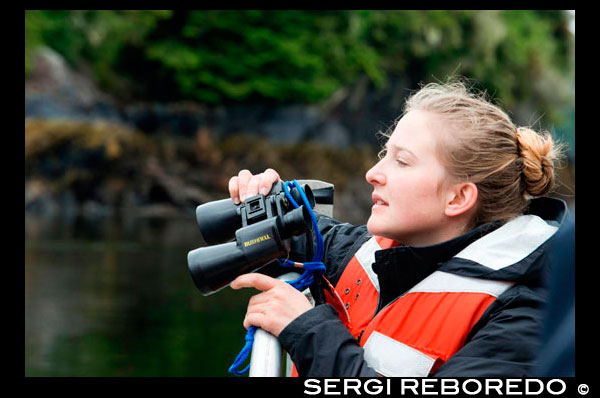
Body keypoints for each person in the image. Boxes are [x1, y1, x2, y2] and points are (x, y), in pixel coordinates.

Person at [227, 80, 569, 377]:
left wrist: (307, 330)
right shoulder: (363, 252)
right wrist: (261, 204)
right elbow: (292, 241)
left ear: (458, 197)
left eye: (401, 161)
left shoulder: (524, 320)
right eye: (383, 152)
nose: (372, 173)